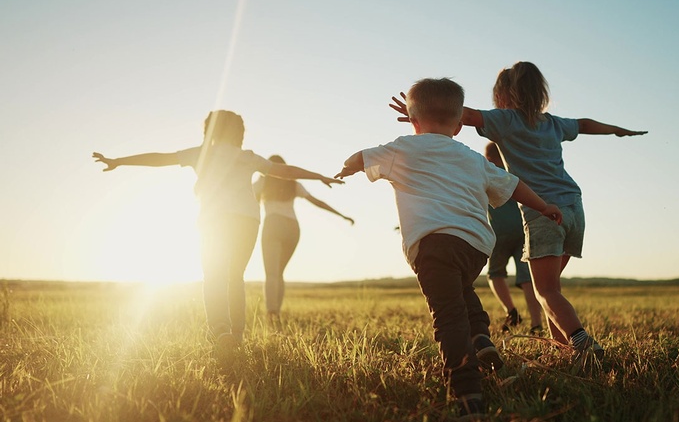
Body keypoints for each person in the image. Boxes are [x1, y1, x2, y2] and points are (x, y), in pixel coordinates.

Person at [391, 62, 646, 365]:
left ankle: (582, 343)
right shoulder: (552, 123)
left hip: (543, 211)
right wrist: (617, 130)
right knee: (552, 289)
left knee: (546, 291)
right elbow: (586, 123)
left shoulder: (505, 120)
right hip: (574, 207)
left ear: (502, 95)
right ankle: (560, 350)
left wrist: (419, 112)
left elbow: (462, 114)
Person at [338, 78, 562, 418]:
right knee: (460, 290)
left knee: (448, 316)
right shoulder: (472, 158)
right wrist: (544, 206)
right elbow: (514, 185)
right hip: (475, 247)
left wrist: (347, 168)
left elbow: (361, 157)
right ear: (459, 126)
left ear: (413, 121)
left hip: (432, 244)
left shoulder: (401, 148)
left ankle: (467, 390)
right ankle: (481, 338)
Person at [92, 110, 342, 352]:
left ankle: (221, 331)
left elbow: (159, 158)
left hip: (215, 219)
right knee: (236, 277)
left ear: (211, 129)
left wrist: (118, 161)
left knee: (214, 275)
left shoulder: (201, 154)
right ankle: (237, 335)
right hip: (248, 220)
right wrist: (319, 175)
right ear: (239, 133)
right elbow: (285, 172)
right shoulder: (248, 157)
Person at [254, 154, 354, 329]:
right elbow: (317, 202)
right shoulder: (293, 184)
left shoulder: (262, 182)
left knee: (271, 274)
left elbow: (246, 199)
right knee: (279, 273)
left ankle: (272, 314)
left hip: (273, 224)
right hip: (292, 228)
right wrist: (342, 216)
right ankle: (275, 313)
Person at [482, 142, 544, 335]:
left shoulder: (487, 173)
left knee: (495, 274)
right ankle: (536, 324)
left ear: (489, 158)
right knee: (528, 279)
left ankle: (512, 311)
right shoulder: (516, 172)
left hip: (499, 233)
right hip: (523, 231)